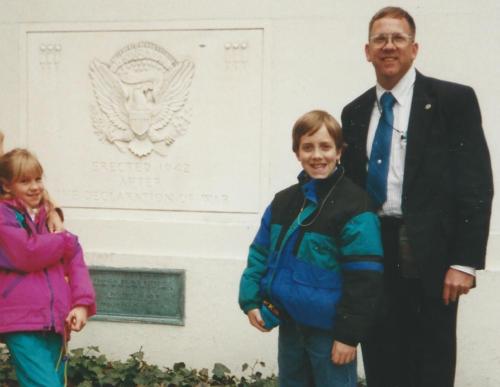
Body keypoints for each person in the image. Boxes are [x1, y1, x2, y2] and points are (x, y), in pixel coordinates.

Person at [340, 6, 493, 387]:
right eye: (380, 39)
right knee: (381, 354)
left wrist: (464, 261)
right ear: (367, 50)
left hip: (430, 253)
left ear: (414, 48)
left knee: (430, 360)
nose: (388, 46)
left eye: (398, 38)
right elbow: (349, 190)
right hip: (374, 249)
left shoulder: (451, 101)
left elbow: (476, 183)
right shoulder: (355, 112)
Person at [239, 110, 384, 387]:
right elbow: (260, 253)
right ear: (297, 153)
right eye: (308, 147)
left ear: (339, 152)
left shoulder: (355, 206)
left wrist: (348, 336)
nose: (317, 155)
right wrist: (250, 300)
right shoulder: (283, 202)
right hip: (290, 324)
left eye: (325, 146)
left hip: (330, 333)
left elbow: (365, 280)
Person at [0, 148, 96, 387]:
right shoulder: (4, 216)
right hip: (21, 320)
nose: (35, 186)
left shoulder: (47, 217)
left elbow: (76, 262)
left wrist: (81, 304)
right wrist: (64, 240)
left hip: (55, 319)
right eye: (24, 181)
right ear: (6, 185)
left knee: (54, 382)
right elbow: (26, 253)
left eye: (38, 179)